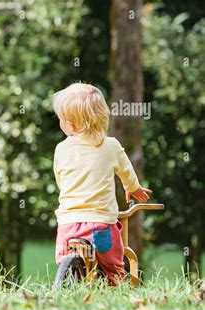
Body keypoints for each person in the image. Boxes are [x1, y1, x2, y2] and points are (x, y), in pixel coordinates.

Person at [52, 82, 152, 284]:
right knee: (113, 270)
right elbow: (126, 171)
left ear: (70, 124)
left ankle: (69, 278)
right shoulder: (111, 145)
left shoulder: (61, 149)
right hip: (101, 225)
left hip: (68, 224)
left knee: (64, 261)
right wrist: (132, 188)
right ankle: (116, 294)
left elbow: (60, 179)